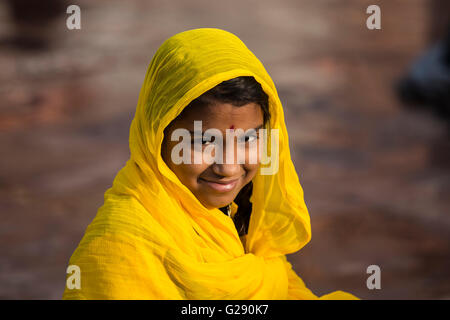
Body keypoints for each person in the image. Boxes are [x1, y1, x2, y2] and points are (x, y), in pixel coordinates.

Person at [63, 28, 358, 300]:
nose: (228, 167)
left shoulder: (242, 217)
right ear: (156, 135)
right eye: (202, 142)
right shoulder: (120, 249)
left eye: (248, 140)